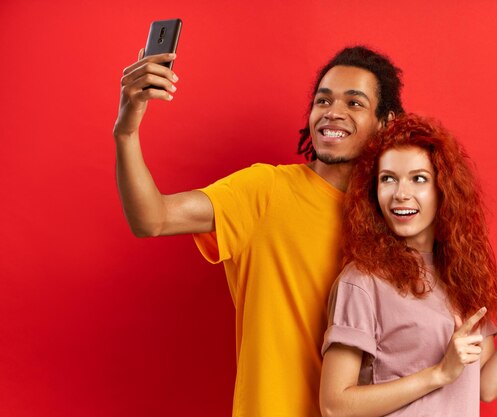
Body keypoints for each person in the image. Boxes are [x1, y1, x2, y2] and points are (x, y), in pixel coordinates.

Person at [113, 45, 404, 416]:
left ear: (386, 122)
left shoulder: (396, 215)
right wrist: (126, 132)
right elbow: (152, 218)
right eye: (323, 100)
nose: (333, 112)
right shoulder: (266, 191)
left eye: (354, 103)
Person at [319, 113, 497, 417]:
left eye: (419, 178)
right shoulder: (362, 281)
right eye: (388, 178)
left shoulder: (461, 275)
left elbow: (486, 386)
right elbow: (335, 407)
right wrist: (439, 373)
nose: (401, 194)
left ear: (444, 190)